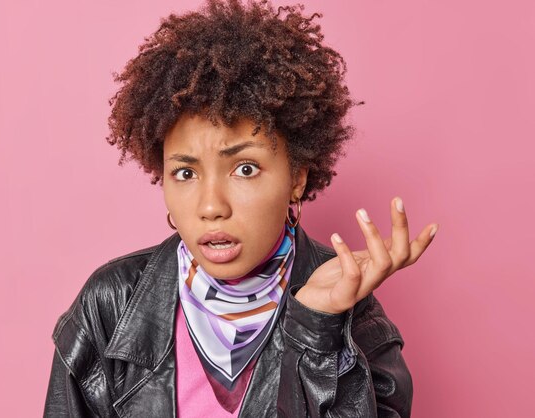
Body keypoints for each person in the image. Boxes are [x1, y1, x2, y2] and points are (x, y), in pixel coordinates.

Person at [43, 0, 438, 416]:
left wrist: (316, 327)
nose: (211, 206)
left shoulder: (349, 308)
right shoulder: (109, 307)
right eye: (185, 173)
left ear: (297, 178)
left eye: (245, 168)